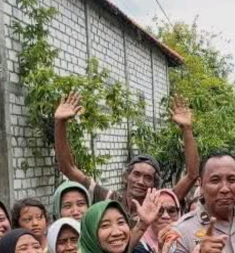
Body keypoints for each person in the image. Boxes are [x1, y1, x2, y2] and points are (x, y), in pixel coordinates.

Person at [54, 90, 200, 214]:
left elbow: (192, 174)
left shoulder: (160, 205)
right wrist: (60, 123)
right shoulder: (110, 200)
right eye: (136, 174)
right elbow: (68, 169)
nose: (140, 181)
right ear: (126, 177)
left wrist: (186, 129)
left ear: (154, 185)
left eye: (148, 178)